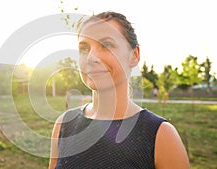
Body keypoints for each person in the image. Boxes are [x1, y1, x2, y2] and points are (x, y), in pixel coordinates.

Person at [49, 11, 190, 169]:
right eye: (84, 48)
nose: (91, 58)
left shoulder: (161, 135)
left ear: (134, 55)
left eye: (106, 45)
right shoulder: (64, 124)